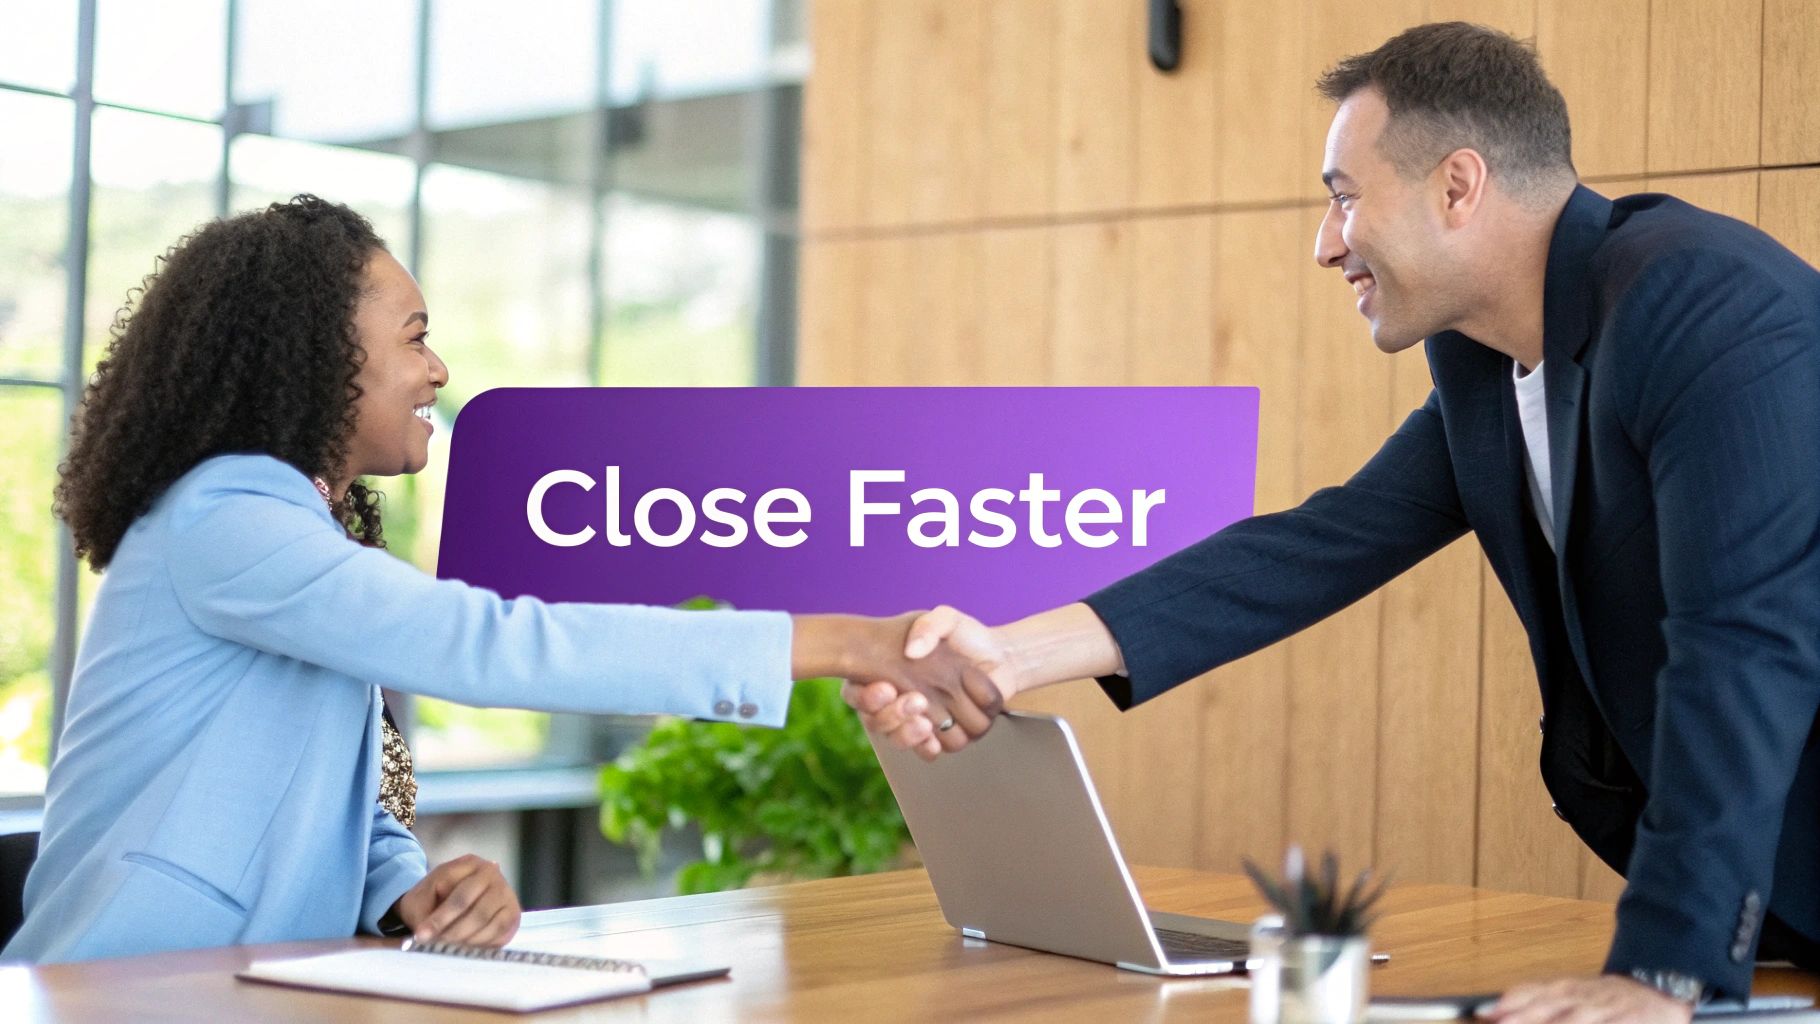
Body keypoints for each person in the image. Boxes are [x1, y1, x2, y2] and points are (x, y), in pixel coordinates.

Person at [850, 22, 1820, 1023]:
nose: (1324, 244)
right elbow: (1317, 543)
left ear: (1456, 186)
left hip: (1727, 912)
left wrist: (1659, 969)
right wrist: (1006, 657)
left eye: (1342, 197)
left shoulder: (1704, 305)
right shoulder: (1487, 362)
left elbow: (1742, 648)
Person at [3, 195, 1000, 964]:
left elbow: (297, 781)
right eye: (413, 336)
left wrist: (401, 887)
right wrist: (844, 641)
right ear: (313, 360)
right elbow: (484, 641)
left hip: (240, 986)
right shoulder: (227, 513)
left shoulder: (292, 529)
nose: (436, 370)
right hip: (120, 986)